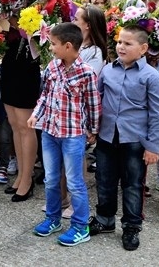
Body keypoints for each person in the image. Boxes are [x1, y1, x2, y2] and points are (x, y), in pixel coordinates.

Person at [89, 26, 159, 251]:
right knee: (104, 180)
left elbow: (158, 112)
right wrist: (92, 128)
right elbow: (98, 100)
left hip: (134, 140)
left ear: (143, 48)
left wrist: (153, 146)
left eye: (128, 43)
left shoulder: (152, 76)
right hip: (107, 136)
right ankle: (105, 218)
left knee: (133, 184)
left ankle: (132, 226)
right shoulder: (107, 70)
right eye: (120, 42)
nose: (121, 47)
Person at [29, 23, 100, 246]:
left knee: (75, 182)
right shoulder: (52, 67)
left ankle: (80, 226)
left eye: (53, 44)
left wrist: (93, 130)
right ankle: (53, 218)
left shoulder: (86, 73)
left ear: (68, 46)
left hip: (73, 135)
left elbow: (93, 104)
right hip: (50, 132)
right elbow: (45, 96)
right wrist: (36, 114)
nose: (51, 48)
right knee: (51, 179)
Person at [0, 16, 42, 202]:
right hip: (9, 64)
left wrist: (18, 22)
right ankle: (21, 174)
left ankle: (27, 177)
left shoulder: (36, 11)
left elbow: (38, 40)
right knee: (15, 124)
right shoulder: (5, 10)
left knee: (25, 126)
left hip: (26, 67)